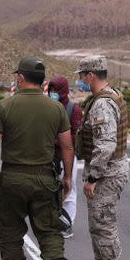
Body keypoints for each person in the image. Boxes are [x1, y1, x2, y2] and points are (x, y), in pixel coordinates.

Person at [0, 56, 74, 260]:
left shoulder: (6, 105)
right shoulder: (56, 109)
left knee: (9, 228)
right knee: (49, 229)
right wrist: (68, 177)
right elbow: (67, 146)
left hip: (13, 178)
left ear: (20, 78)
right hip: (45, 177)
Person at [71, 57, 130, 260]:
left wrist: (93, 177)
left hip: (107, 172)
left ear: (90, 76)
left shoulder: (103, 104)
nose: (80, 80)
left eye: (82, 75)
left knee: (104, 224)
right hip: (109, 169)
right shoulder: (107, 96)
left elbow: (106, 145)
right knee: (97, 224)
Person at [47, 76, 83, 239]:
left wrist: (55, 141)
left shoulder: (72, 109)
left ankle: (67, 224)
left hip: (66, 157)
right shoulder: (47, 107)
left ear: (63, 90)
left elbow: (73, 136)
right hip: (49, 156)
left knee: (69, 190)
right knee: (50, 190)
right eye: (51, 90)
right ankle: (52, 221)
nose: (53, 93)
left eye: (55, 90)